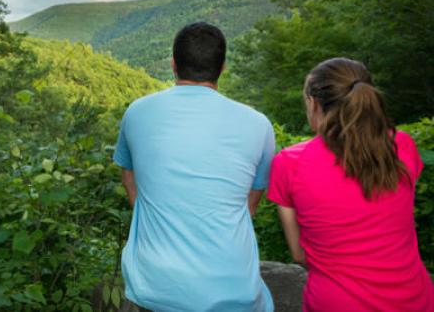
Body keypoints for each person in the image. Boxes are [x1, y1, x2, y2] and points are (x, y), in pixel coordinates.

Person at [113, 22, 275, 312]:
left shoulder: (137, 111)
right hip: (233, 293)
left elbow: (129, 179)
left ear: (174, 65)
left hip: (153, 288)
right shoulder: (259, 124)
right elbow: (249, 204)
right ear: (222, 67)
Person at [267, 57, 434, 312]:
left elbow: (300, 254)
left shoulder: (290, 163)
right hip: (414, 300)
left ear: (313, 103)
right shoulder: (401, 146)